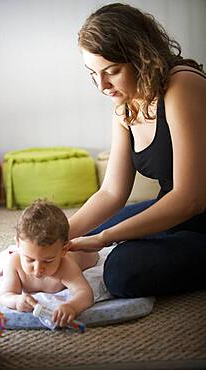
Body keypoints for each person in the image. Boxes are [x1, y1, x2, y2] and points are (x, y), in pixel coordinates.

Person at [68, 3, 206, 298]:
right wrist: (55, 234)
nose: (102, 85)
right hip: (176, 213)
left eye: (112, 71)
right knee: (78, 235)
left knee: (121, 271)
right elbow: (111, 194)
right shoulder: (124, 106)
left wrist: (106, 238)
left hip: (198, 216)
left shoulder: (182, 85)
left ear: (141, 57)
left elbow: (190, 199)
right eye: (93, 73)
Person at [0, 199, 97, 327]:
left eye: (48, 261)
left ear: (63, 250)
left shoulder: (66, 266)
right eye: (30, 260)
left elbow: (85, 293)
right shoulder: (15, 264)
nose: (38, 269)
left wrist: (72, 306)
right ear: (18, 244)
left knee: (89, 247)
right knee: (7, 263)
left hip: (85, 254)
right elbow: (4, 295)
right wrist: (16, 300)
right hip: (19, 254)